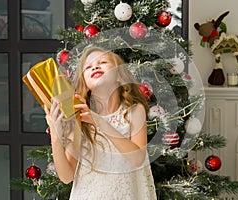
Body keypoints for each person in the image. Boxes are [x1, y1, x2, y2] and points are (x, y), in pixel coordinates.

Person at [44, 46, 157, 199]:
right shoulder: (78, 118)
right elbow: (66, 176)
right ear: (84, 82)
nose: (95, 66)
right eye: (88, 67)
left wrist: (98, 121)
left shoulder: (134, 111)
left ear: (118, 75)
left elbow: (137, 158)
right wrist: (56, 136)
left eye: (103, 62)